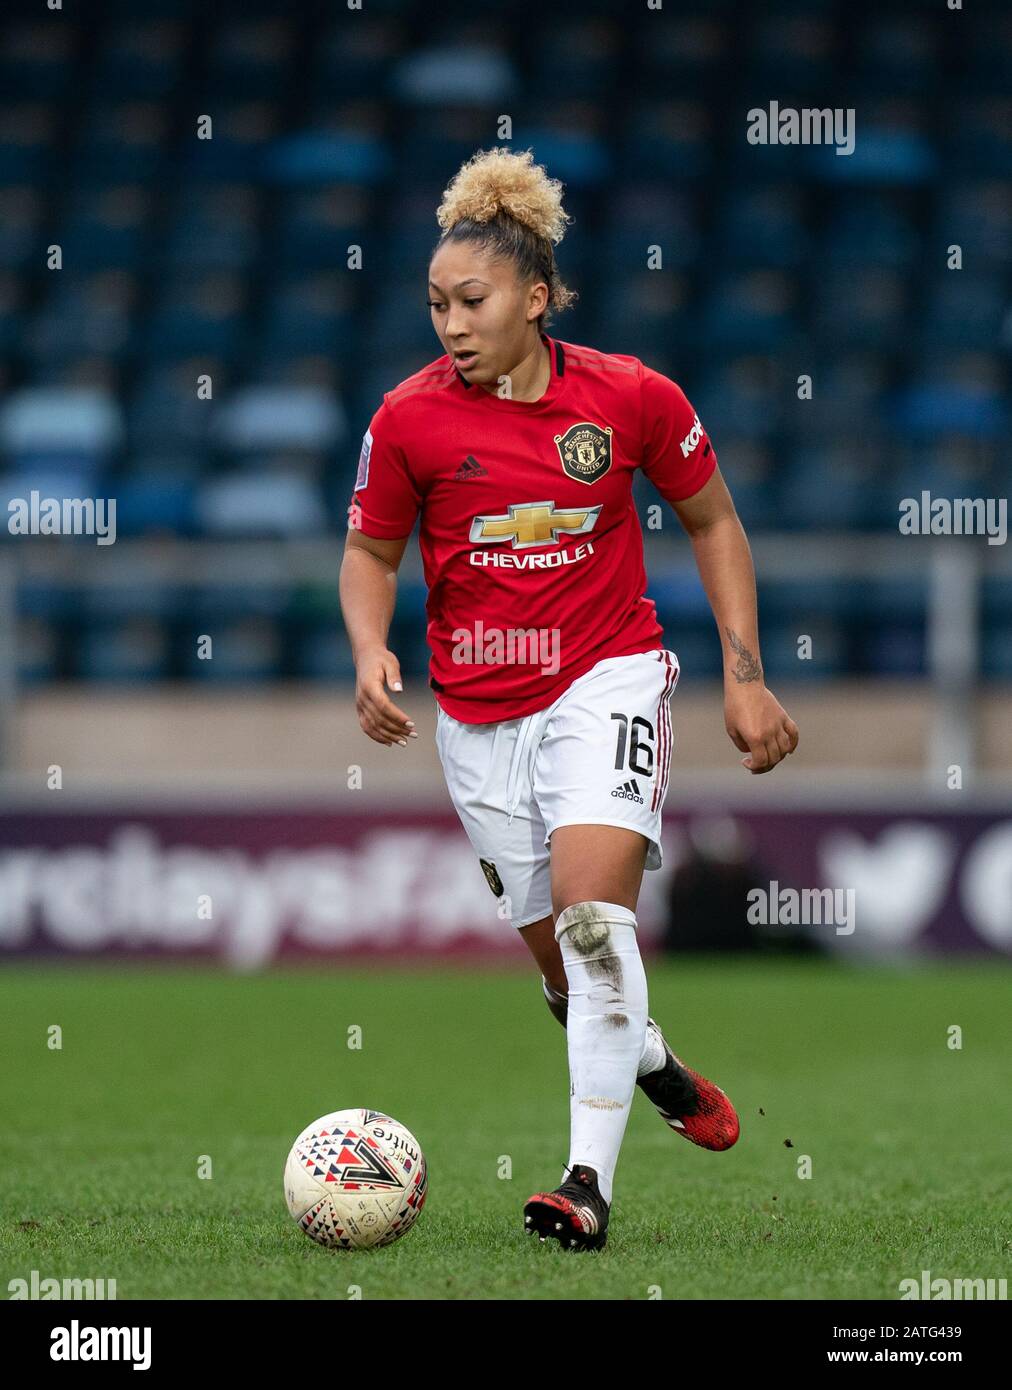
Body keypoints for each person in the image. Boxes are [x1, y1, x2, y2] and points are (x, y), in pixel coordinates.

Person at [339, 147, 799, 1252]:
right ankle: (648, 1058)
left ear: (536, 298)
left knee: (598, 929)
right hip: (478, 715)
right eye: (437, 302)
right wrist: (367, 650)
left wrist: (745, 677)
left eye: (473, 300)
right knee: (566, 971)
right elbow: (368, 550)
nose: (450, 322)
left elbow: (714, 522)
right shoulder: (409, 418)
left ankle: (583, 1184)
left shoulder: (632, 397)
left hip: (607, 677)